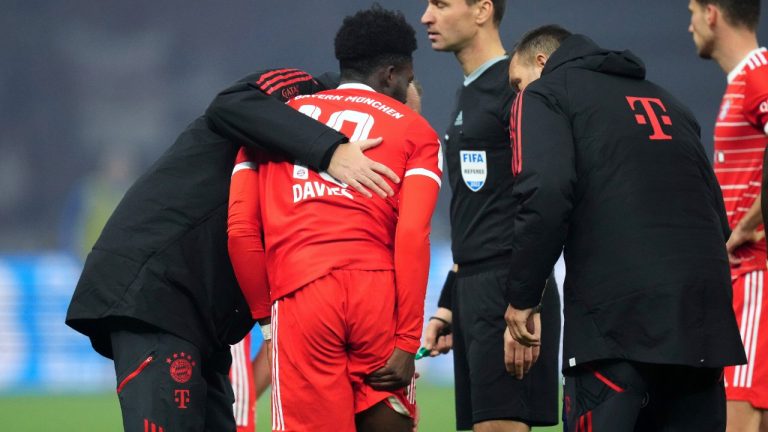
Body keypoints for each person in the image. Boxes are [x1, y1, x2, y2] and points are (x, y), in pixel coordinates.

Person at [65, 65, 401, 432]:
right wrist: (331, 149)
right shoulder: (303, 91)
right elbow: (229, 104)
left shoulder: (313, 172)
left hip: (203, 319)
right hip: (158, 291)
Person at [504, 25, 746, 431]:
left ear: (542, 63)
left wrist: (523, 298)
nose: (516, 94)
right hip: (702, 328)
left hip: (615, 328)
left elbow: (545, 191)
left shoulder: (546, 94)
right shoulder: (671, 102)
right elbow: (715, 213)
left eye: (516, 82)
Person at [227, 6, 441, 431]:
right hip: (377, 293)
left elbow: (241, 232)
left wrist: (267, 321)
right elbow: (413, 234)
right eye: (409, 79)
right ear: (391, 74)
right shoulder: (415, 130)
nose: (408, 89)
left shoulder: (275, 123)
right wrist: (406, 340)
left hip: (301, 293)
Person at [419, 1, 560, 430]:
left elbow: (539, 200)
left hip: (509, 294)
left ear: (482, 10)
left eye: (441, 4)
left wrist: (524, 301)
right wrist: (449, 302)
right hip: (476, 290)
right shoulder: (471, 90)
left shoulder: (515, 88)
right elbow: (481, 210)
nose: (426, 16)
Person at [688, 1, 768, 430]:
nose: (689, 26)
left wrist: (747, 224)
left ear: (712, 14)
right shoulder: (743, 81)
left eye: (692, 12)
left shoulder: (758, 74)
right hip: (741, 277)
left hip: (755, 273)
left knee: (736, 415)